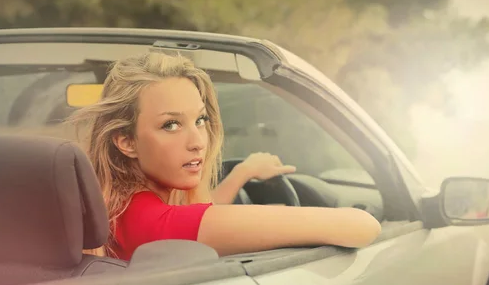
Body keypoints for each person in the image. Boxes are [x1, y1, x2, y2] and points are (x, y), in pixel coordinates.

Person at [70, 52, 381, 260]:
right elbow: (361, 225)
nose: (197, 142)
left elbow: (203, 213)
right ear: (127, 141)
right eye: (171, 125)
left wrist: (241, 174)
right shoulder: (155, 224)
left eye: (201, 120)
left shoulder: (118, 209)